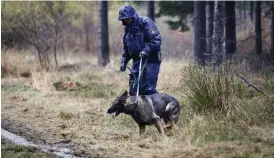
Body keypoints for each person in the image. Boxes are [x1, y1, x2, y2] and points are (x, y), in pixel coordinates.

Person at [118, 5, 162, 96]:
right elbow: (127, 49)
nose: (126, 21)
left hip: (151, 60)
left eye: (127, 18)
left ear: (132, 16)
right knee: (134, 90)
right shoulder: (127, 30)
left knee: (148, 90)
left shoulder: (145, 22)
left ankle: (157, 108)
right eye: (124, 19)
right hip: (137, 61)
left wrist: (146, 50)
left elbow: (156, 40)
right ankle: (137, 110)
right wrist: (124, 62)